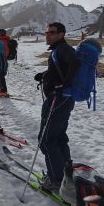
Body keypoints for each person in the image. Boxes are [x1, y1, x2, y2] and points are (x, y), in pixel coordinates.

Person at [34, 22, 81, 191]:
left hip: (58, 99)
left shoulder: (62, 49)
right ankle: (66, 175)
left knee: (46, 140)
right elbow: (62, 68)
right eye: (47, 32)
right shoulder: (58, 50)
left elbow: (75, 62)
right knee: (59, 137)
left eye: (52, 32)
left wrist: (64, 84)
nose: (48, 35)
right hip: (63, 99)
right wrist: (45, 75)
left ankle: (56, 180)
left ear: (61, 34)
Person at [0, 28, 10, 97]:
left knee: (0, 76)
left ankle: (3, 91)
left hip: (1, 61)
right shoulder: (3, 40)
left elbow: (5, 52)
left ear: (0, 34)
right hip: (3, 61)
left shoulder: (2, 41)